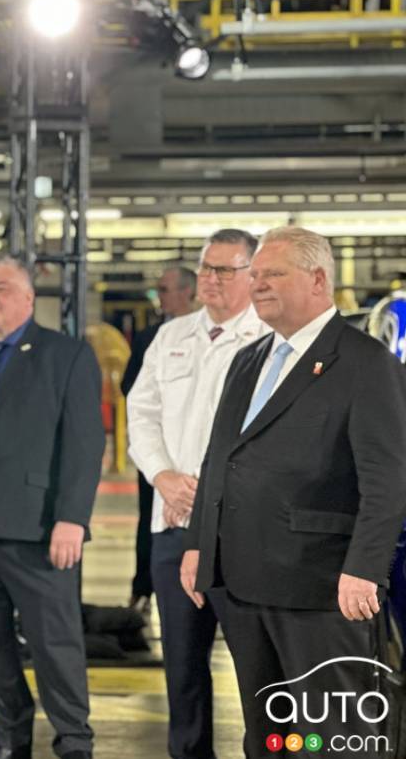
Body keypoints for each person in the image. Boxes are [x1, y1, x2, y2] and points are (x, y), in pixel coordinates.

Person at [181, 227, 406, 758]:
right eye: (254, 275)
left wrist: (365, 569)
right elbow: (220, 460)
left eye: (272, 274)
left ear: (318, 279)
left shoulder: (366, 363)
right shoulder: (250, 359)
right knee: (268, 737)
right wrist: (198, 545)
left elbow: (388, 478)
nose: (257, 285)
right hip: (243, 584)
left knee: (334, 738)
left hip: (321, 588)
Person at [0, 254, 104, 759]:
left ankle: (73, 741)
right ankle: (9, 737)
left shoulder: (67, 355)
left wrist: (72, 517)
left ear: (30, 298)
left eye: (3, 287)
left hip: (36, 530)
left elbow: (84, 443)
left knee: (55, 646)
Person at [126, 231, 266, 759]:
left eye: (223, 270)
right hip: (174, 522)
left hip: (239, 530)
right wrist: (162, 475)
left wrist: (208, 489)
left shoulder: (267, 341)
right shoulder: (172, 336)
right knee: (182, 668)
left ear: (252, 275)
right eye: (206, 268)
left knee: (256, 666)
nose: (209, 278)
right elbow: (141, 414)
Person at [120, 266, 198, 613]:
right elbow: (131, 391)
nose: (160, 297)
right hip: (156, 452)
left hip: (193, 452)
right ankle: (144, 589)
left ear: (188, 293)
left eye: (165, 290)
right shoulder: (148, 337)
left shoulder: (207, 338)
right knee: (147, 524)